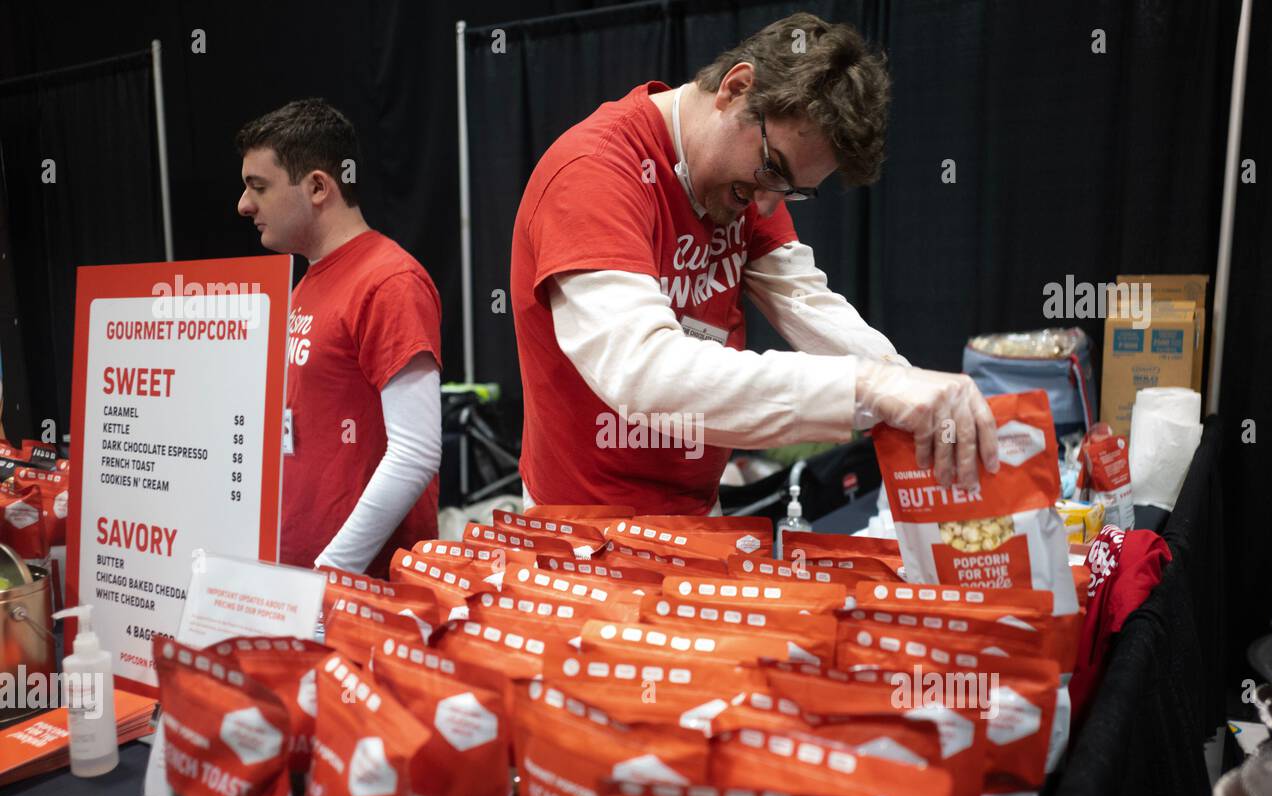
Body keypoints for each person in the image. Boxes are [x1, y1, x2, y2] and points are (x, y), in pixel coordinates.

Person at [511, 13, 999, 515]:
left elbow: (810, 305)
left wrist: (910, 386)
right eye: (773, 170)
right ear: (736, 88)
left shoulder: (747, 184)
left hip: (697, 514)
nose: (768, 206)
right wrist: (868, 387)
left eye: (794, 191)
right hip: (579, 530)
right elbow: (645, 373)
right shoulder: (593, 172)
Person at [236, 98, 443, 575]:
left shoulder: (390, 281)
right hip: (302, 575)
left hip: (355, 592)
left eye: (258, 187)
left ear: (316, 187)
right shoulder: (308, 281)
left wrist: (332, 570)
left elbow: (416, 453)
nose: (244, 205)